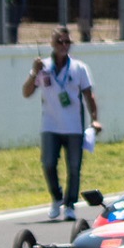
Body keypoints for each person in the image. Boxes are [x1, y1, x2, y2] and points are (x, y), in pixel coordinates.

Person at [22, 27, 100, 221]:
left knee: (74, 167)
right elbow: (26, 92)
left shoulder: (79, 68)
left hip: (74, 127)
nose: (64, 46)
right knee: (48, 163)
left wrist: (94, 119)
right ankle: (56, 198)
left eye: (67, 42)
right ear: (52, 44)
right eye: (60, 42)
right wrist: (33, 72)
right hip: (50, 125)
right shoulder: (43, 66)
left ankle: (70, 204)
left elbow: (89, 95)